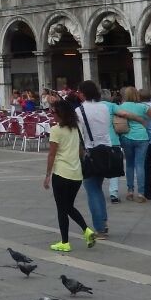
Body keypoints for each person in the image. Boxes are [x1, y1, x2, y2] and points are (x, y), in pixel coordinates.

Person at [42, 98, 97, 253]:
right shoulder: (77, 127)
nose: (52, 115)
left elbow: (52, 154)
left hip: (61, 173)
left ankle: (65, 241)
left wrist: (47, 175)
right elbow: (80, 151)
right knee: (68, 206)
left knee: (62, 209)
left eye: (54, 112)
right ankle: (86, 231)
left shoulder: (56, 130)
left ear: (61, 114)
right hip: (76, 174)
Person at [74, 81, 117, 238]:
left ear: (83, 93)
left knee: (92, 189)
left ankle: (100, 227)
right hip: (106, 149)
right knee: (97, 188)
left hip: (91, 151)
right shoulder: (104, 107)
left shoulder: (80, 110)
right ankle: (103, 221)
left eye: (79, 92)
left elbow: (79, 133)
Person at [113, 86, 151, 205]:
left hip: (127, 136)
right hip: (142, 137)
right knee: (140, 165)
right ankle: (141, 193)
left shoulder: (121, 106)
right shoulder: (143, 106)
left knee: (129, 164)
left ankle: (130, 191)